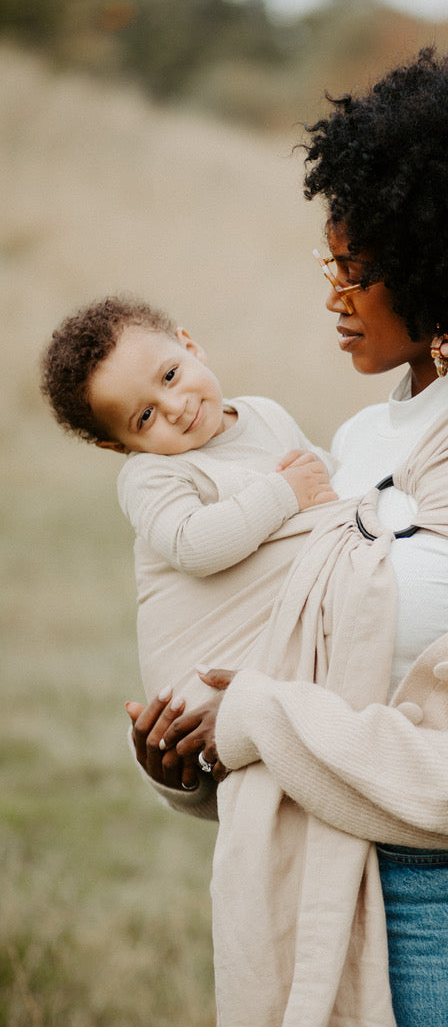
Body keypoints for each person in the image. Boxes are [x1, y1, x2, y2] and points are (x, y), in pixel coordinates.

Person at [127, 47, 448, 1027]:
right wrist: (195, 746)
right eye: (331, 265)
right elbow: (302, 679)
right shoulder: (356, 444)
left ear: (445, 285)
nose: (333, 295)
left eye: (356, 271)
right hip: (312, 891)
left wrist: (263, 715)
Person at [40, 296, 336, 795]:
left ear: (190, 345)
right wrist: (284, 493)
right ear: (120, 446)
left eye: (171, 376)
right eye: (145, 417)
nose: (175, 409)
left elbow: (323, 485)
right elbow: (192, 543)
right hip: (204, 684)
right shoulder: (150, 474)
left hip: (278, 651)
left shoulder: (265, 414)